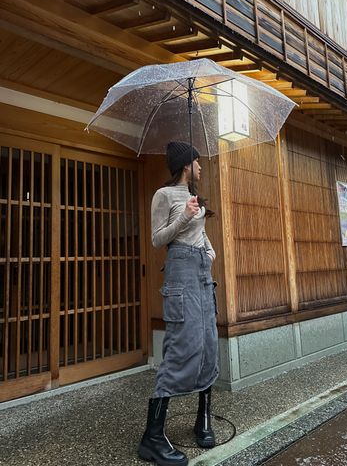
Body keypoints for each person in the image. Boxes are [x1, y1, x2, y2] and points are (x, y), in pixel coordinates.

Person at [138, 141, 219, 466]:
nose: (201, 167)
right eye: (197, 162)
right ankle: (152, 438)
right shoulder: (164, 195)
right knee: (182, 344)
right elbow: (158, 239)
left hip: (201, 270)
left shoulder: (195, 197)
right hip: (181, 270)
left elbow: (201, 233)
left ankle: (203, 419)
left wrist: (209, 251)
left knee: (208, 343)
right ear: (187, 164)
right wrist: (185, 216)